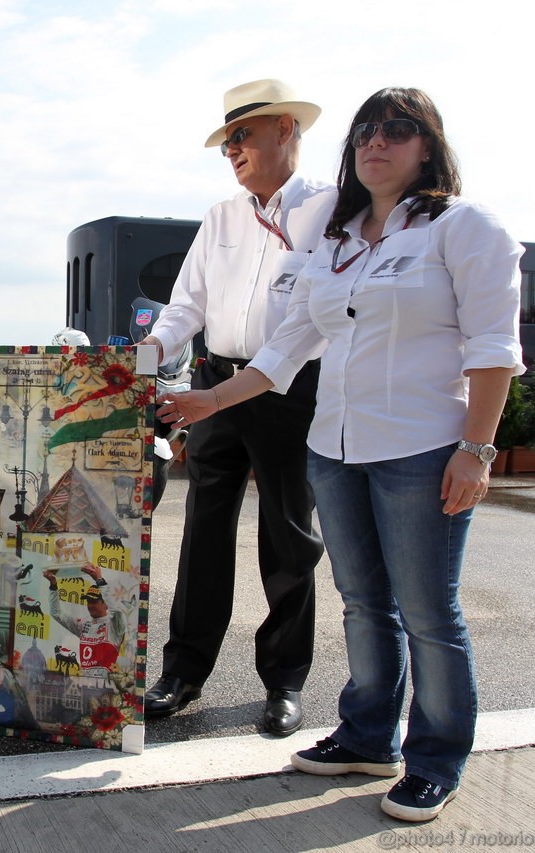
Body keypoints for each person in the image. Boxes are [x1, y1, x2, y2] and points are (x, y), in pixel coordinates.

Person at [161, 87, 522, 822]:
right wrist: (207, 399)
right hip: (334, 445)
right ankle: (366, 734)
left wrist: (475, 450)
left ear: (428, 146)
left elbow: (493, 349)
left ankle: (435, 757)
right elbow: (287, 346)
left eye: (396, 129)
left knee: (428, 611)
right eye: (365, 132)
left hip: (421, 447)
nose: (376, 143)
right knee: (364, 604)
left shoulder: (462, 227)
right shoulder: (335, 240)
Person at [138, 80, 335, 734]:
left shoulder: (327, 212)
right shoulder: (220, 217)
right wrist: (145, 356)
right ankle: (182, 671)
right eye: (226, 142)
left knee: (288, 536)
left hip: (288, 389)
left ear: (285, 129)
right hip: (211, 384)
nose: (232, 151)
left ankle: (283, 681)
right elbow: (186, 306)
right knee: (202, 533)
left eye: (242, 136)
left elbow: (306, 321)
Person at [44, 564, 126, 677]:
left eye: (94, 602)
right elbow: (56, 614)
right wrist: (53, 585)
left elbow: (116, 610)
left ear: (105, 604)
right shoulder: (83, 624)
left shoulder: (114, 625)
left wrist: (99, 580)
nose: (90, 605)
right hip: (86, 686)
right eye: (88, 601)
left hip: (105, 686)